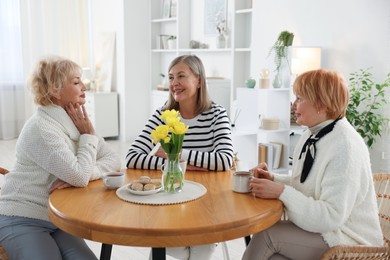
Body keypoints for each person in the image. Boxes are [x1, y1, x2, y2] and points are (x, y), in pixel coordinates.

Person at [242, 69, 384, 260]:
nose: (293, 105)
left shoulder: (345, 147)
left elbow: (330, 217)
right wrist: (274, 179)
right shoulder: (313, 133)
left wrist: (280, 191)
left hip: (348, 239)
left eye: (300, 98)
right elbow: (308, 185)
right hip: (328, 233)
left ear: (321, 105)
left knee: (266, 236)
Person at [0, 56, 121, 260]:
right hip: (22, 216)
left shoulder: (77, 121)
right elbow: (79, 176)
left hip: (58, 217)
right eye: (76, 82)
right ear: (55, 90)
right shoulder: (42, 128)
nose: (84, 85)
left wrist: (84, 170)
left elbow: (112, 159)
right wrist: (87, 141)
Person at [126, 55, 234, 259]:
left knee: (202, 248)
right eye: (171, 77)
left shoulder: (217, 115)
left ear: (199, 80)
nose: (174, 83)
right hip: (171, 201)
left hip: (207, 204)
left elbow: (224, 160)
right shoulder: (163, 115)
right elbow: (132, 157)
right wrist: (183, 165)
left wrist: (174, 156)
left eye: (181, 76)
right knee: (171, 246)